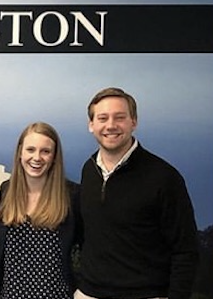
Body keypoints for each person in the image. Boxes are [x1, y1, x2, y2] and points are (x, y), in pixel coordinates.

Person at [76, 87, 198, 299]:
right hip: (89, 293)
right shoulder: (88, 170)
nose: (111, 125)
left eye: (120, 117)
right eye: (103, 118)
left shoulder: (164, 177)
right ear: (91, 125)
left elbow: (185, 250)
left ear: (134, 122)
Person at [0, 122, 80, 298]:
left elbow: (88, 249)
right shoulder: (6, 190)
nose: (37, 157)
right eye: (30, 149)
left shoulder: (73, 195)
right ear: (20, 153)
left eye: (45, 151)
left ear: (55, 156)